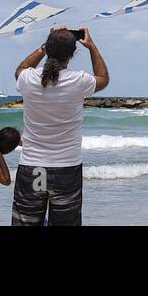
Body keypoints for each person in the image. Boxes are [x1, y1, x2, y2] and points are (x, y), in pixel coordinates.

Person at [10, 27, 109, 226]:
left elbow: (19, 70)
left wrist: (43, 48)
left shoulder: (29, 79)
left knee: (26, 223)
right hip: (66, 169)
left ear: (48, 49)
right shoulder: (79, 81)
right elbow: (103, 79)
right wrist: (92, 47)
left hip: (33, 166)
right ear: (72, 54)